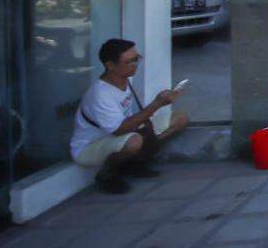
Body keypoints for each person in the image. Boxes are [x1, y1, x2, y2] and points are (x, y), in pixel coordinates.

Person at [70, 39, 188, 194]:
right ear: (111, 66)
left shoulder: (124, 78)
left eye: (136, 59)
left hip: (122, 132)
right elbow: (118, 130)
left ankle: (136, 161)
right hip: (90, 146)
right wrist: (157, 103)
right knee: (134, 141)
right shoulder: (100, 94)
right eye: (129, 62)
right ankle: (107, 174)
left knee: (179, 119)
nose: (135, 64)